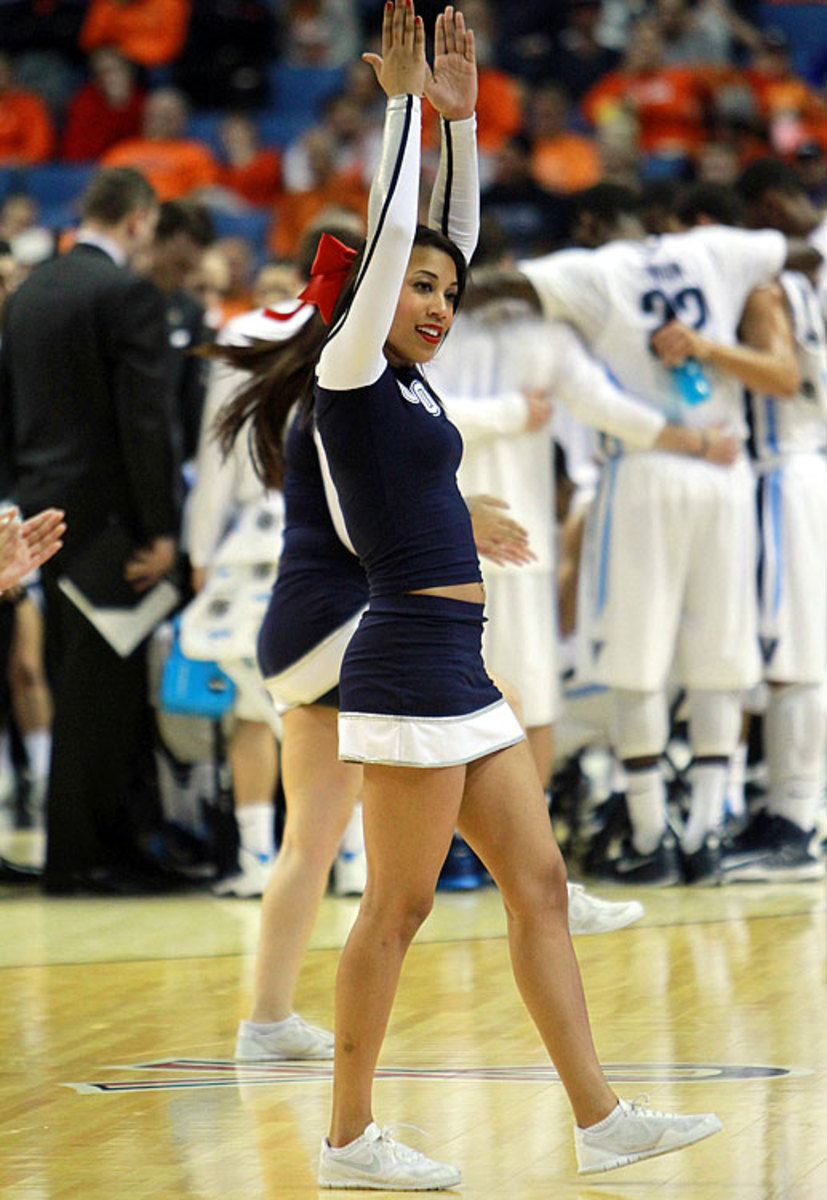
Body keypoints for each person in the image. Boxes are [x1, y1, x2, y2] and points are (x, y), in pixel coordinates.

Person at [223, 3, 723, 1186]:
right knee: (396, 910)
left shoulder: (411, 382)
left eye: (449, 293)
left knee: (538, 884)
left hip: (458, 660)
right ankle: (346, 1139)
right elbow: (402, 229)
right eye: (419, 290)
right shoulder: (349, 370)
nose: (438, 304)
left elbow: (446, 227)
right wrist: (406, 113)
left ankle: (599, 1119)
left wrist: (460, 124)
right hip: (401, 660)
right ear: (371, 296)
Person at [469, 181, 821, 887]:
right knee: (722, 659)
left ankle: (649, 833)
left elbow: (497, 286)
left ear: (591, 224)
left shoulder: (595, 269)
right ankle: (708, 832)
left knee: (634, 662)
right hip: (726, 468)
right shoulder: (717, 249)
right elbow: (801, 252)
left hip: (645, 469)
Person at [0, 166, 180, 895]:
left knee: (79, 683)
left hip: (41, 519)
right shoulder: (126, 293)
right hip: (109, 523)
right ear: (138, 219)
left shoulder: (30, 291)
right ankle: (85, 858)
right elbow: (146, 420)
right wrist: (161, 527)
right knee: (102, 695)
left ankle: (116, 848)